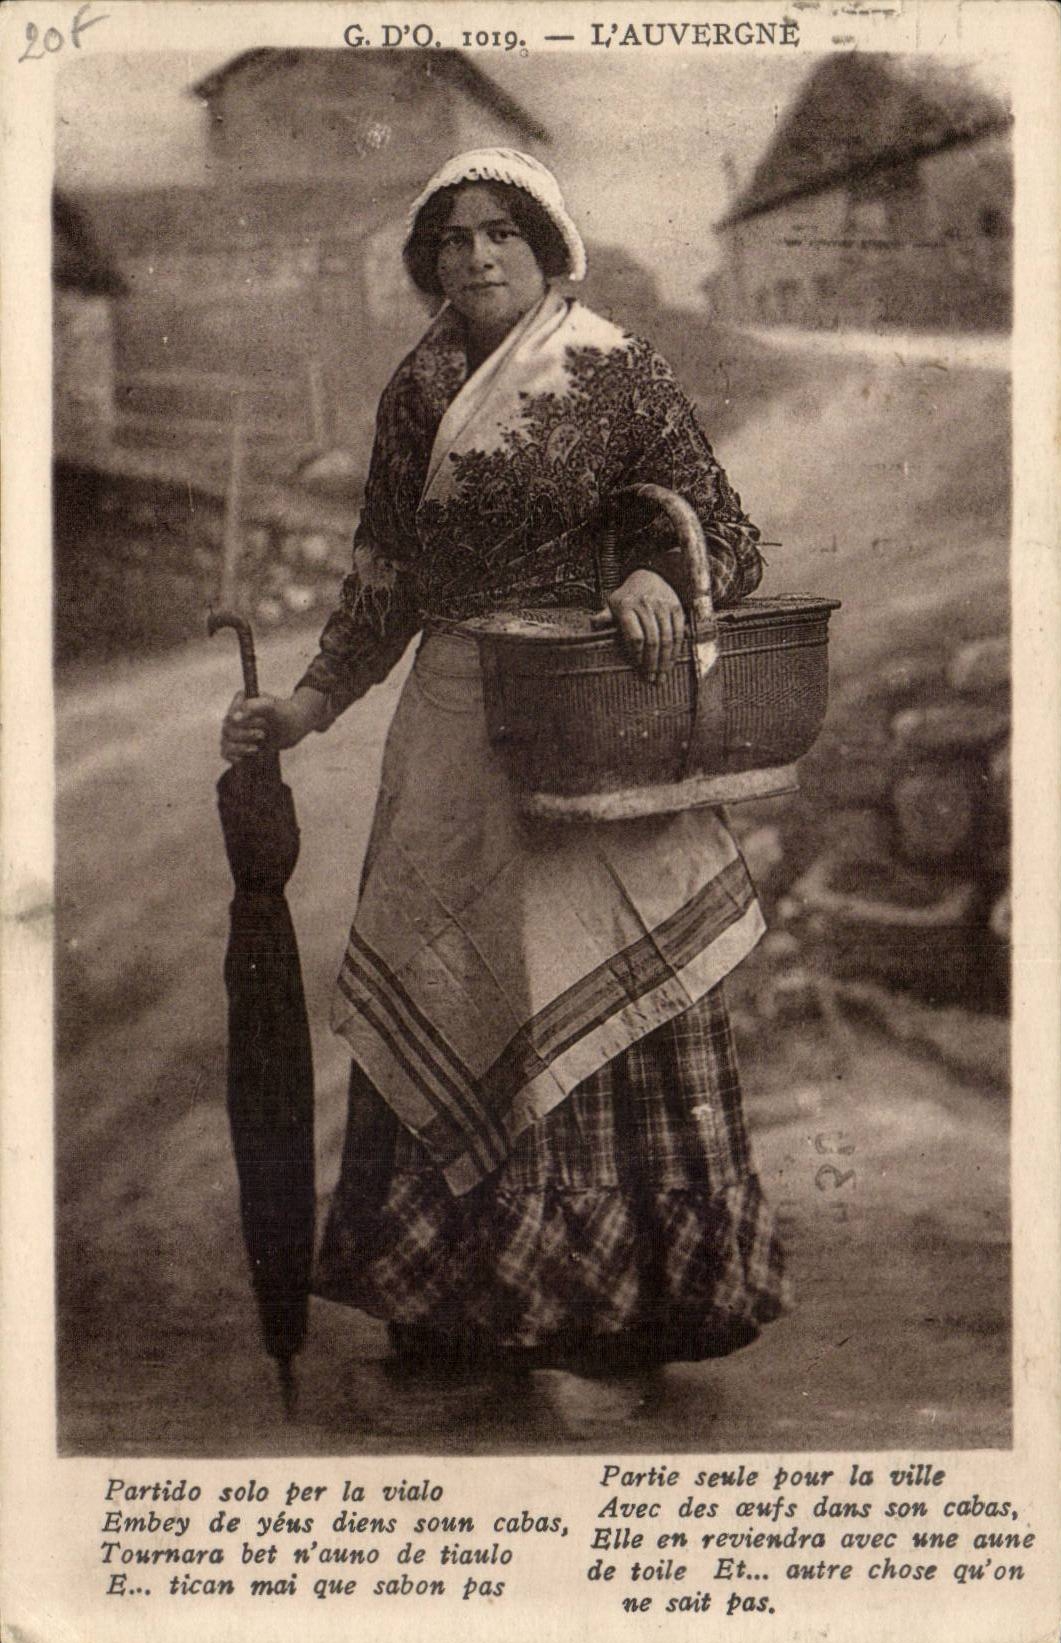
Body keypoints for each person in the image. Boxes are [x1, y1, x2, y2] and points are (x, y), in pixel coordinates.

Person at [220, 150, 790, 1414]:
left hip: (597, 719)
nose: (473, 258)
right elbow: (384, 580)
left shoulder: (614, 367)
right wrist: (307, 705)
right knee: (452, 981)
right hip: (454, 724)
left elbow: (719, 532)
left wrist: (650, 572)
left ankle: (604, 1330)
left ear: (549, 250)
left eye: (500, 236)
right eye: (452, 239)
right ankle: (454, 1327)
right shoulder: (417, 388)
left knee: (592, 994)